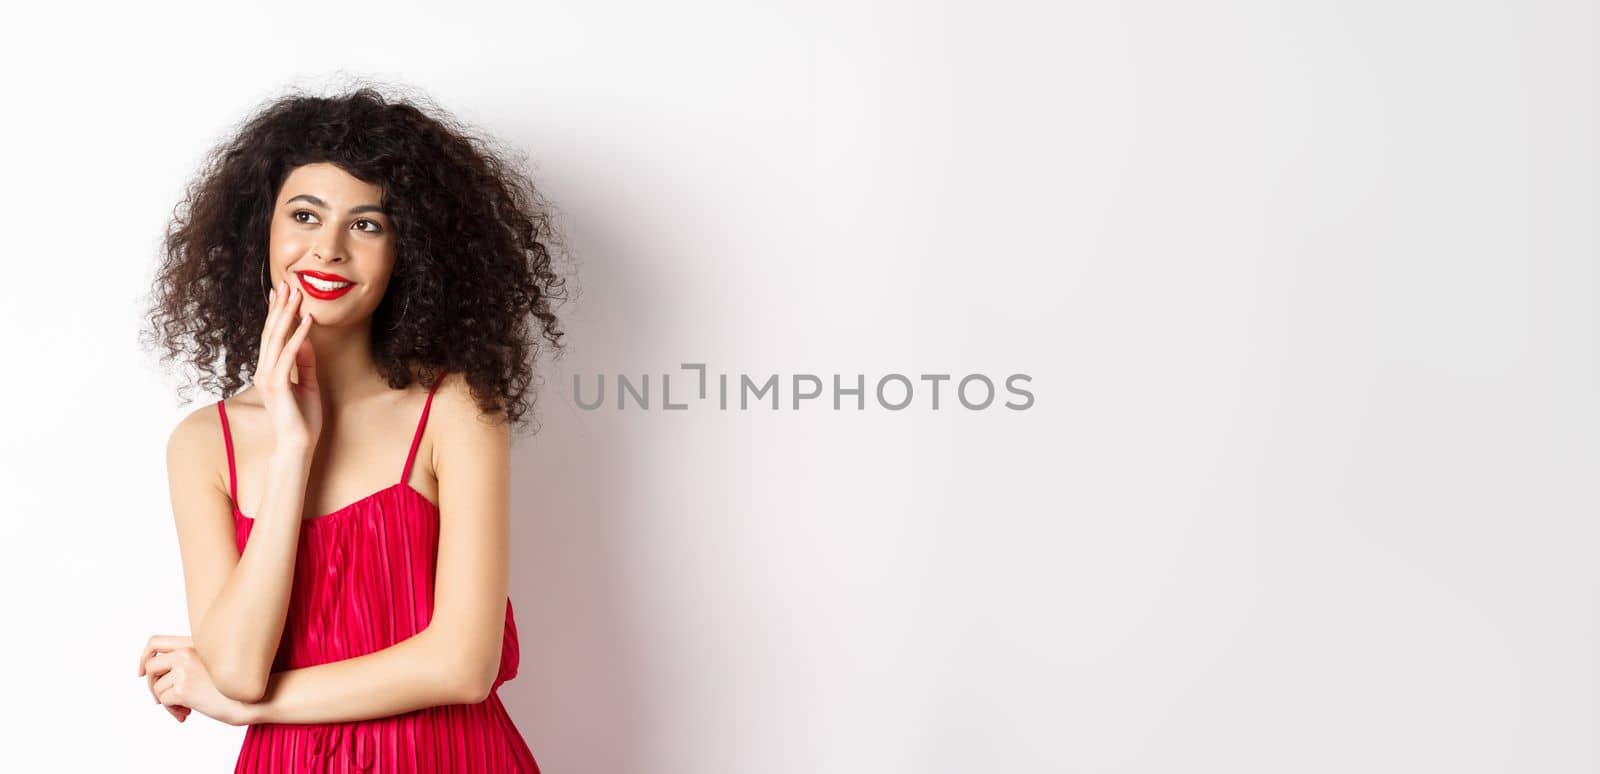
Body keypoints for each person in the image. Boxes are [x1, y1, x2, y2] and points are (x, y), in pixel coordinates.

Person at [134, 82, 569, 772]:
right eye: (304, 215)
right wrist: (291, 452)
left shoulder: (456, 409)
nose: (329, 248)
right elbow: (238, 666)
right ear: (262, 232)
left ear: (409, 254)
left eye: (366, 224)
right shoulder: (202, 445)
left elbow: (462, 666)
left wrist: (252, 708)